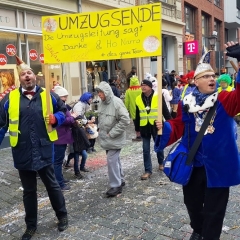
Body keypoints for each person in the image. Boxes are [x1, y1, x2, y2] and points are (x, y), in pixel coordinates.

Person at [155, 41, 240, 240]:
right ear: (196, 82)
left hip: (218, 166)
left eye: (213, 76)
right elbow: (179, 126)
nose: (212, 78)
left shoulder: (225, 100)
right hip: (193, 164)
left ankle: (209, 236)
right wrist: (164, 127)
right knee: (192, 205)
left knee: (214, 211)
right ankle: (198, 229)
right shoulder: (187, 103)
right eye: (206, 76)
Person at [0, 56, 68, 240]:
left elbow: (64, 111)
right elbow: (1, 124)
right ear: (19, 79)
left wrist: (57, 119)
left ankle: (62, 216)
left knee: (52, 186)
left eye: (29, 72)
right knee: (29, 192)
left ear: (35, 76)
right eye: (23, 74)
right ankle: (31, 226)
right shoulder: (9, 98)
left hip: (44, 149)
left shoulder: (49, 95)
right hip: (22, 151)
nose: (27, 76)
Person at [96, 81, 130, 197]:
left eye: (101, 92)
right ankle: (120, 179)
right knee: (114, 160)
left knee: (111, 160)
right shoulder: (102, 103)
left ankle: (116, 185)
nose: (99, 95)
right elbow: (101, 118)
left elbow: (125, 120)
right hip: (106, 138)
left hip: (114, 137)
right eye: (98, 92)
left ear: (106, 92)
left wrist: (112, 133)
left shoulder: (116, 102)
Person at [135, 79, 171, 179]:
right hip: (144, 127)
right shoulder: (138, 98)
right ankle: (148, 170)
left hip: (156, 126)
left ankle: (161, 162)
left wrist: (171, 123)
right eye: (142, 85)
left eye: (145, 85)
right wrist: (137, 128)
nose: (143, 87)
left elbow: (165, 110)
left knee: (159, 147)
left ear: (150, 87)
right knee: (145, 150)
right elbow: (137, 115)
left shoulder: (158, 96)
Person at [53, 85, 76, 191]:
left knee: (59, 160)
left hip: (61, 136)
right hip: (59, 137)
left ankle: (59, 179)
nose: (66, 99)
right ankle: (59, 183)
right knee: (57, 161)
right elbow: (62, 120)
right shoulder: (57, 106)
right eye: (64, 96)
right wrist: (72, 118)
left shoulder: (59, 104)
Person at [124, 75, 142, 141]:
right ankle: (143, 134)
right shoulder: (141, 89)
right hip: (141, 109)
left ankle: (138, 136)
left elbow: (127, 102)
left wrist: (125, 110)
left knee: (136, 123)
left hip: (133, 110)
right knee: (142, 122)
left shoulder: (128, 91)